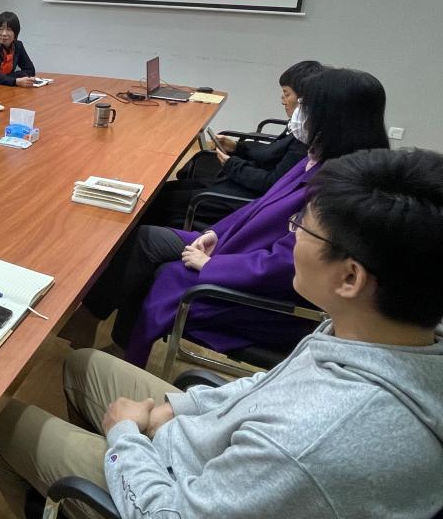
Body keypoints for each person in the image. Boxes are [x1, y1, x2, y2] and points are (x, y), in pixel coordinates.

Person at [0, 147, 443, 519]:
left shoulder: (309, 442)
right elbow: (262, 389)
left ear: (350, 277)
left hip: (175, 491)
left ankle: (88, 495)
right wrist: (175, 408)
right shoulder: (373, 335)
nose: (292, 236)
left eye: (303, 229)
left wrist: (123, 436)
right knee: (82, 364)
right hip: (203, 449)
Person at [82, 67, 389, 367]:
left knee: (161, 273)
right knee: (147, 239)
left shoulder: (342, 191)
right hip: (237, 246)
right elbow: (260, 205)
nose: (299, 114)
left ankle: (124, 355)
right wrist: (215, 233)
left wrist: (213, 265)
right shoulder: (318, 159)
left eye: (308, 108)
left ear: (335, 118)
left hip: (261, 295)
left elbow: (287, 265)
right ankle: (89, 322)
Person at [142, 60, 323, 227]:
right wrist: (238, 148)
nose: (282, 100)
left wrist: (232, 164)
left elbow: (271, 183)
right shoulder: (302, 127)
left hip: (243, 198)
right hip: (239, 181)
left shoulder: (303, 140)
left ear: (304, 100)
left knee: (154, 202)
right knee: (160, 192)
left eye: (286, 94)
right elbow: (272, 153)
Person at [0, 11, 36, 87]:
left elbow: (30, 70)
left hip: (4, 87)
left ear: (15, 32)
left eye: (9, 29)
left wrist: (11, 78)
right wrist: (14, 81)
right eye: (0, 29)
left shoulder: (18, 46)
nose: (4, 33)